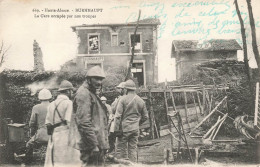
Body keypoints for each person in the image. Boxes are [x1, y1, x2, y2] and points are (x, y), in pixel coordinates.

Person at [72, 66, 109, 166]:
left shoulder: (91, 93)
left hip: (96, 144)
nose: (99, 82)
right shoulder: (84, 94)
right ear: (88, 79)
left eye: (101, 79)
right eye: (96, 78)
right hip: (90, 146)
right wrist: (94, 145)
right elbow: (83, 122)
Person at [44, 80, 81, 167]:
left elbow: (48, 123)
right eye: (72, 91)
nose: (72, 93)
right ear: (68, 91)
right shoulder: (68, 103)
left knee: (55, 160)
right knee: (70, 160)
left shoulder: (51, 104)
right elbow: (69, 122)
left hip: (54, 135)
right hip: (65, 135)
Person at [114, 79, 148, 162]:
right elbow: (145, 117)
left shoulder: (123, 99)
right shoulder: (141, 101)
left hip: (124, 129)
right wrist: (137, 123)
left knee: (121, 151)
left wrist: (116, 130)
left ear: (125, 89)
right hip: (135, 129)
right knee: (133, 149)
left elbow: (117, 116)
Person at [25, 88, 52, 161]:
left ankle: (28, 163)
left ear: (39, 98)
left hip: (41, 134)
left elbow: (32, 123)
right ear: (50, 97)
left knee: (28, 144)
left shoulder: (36, 107)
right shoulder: (53, 106)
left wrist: (32, 135)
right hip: (53, 135)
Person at [108, 82, 126, 153]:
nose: (118, 91)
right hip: (128, 123)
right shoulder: (132, 98)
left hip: (119, 121)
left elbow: (113, 109)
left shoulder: (120, 98)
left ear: (123, 89)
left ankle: (113, 151)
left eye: (119, 89)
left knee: (113, 136)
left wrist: (115, 101)